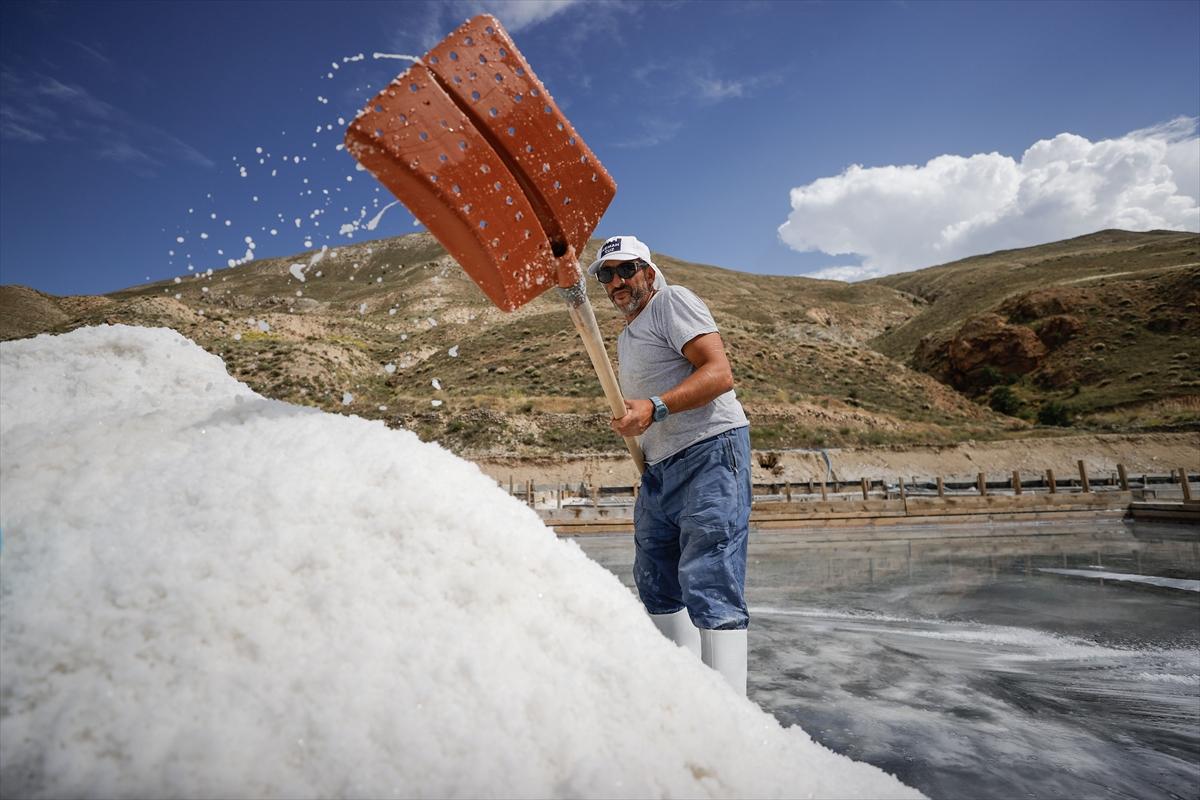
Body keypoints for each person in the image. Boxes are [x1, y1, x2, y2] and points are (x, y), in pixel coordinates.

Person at [587, 235, 752, 696]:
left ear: (647, 270)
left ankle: (727, 713)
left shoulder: (671, 302)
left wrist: (655, 408)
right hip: (659, 467)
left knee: (709, 574)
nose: (617, 281)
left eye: (626, 270)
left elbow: (719, 373)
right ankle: (684, 695)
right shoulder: (626, 334)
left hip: (710, 451)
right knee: (655, 578)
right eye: (606, 274)